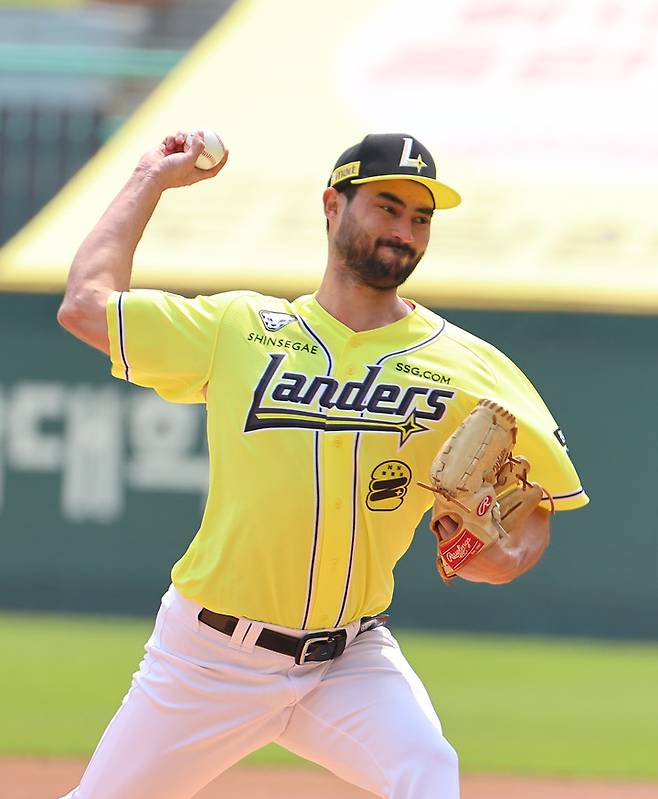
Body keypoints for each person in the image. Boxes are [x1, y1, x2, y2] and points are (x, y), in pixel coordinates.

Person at [57, 131, 588, 799]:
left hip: (349, 660)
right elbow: (85, 305)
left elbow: (533, 516)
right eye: (388, 207)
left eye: (421, 218)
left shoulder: (471, 368)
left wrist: (494, 554)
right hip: (211, 657)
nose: (405, 232)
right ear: (334, 205)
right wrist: (149, 179)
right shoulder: (238, 329)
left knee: (427, 772)